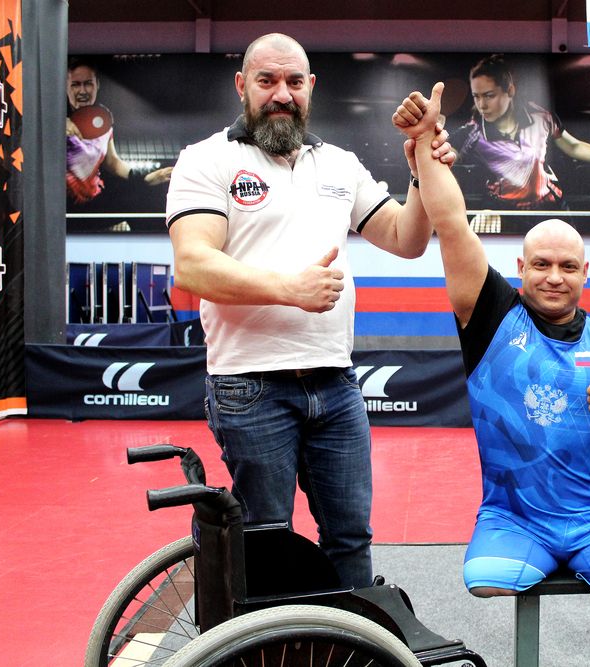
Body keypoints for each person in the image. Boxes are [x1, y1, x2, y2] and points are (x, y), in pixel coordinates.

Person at [164, 33, 453, 588]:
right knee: (267, 541)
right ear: (242, 85)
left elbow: (407, 238)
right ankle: (273, 636)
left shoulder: (339, 165)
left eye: (294, 82)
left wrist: (420, 166)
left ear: (310, 87)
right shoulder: (207, 160)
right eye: (267, 81)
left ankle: (347, 634)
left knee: (350, 538)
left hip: (336, 384)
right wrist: (288, 289)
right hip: (250, 386)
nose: (282, 94)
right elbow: (194, 267)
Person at [393, 83, 590, 603]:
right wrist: (425, 143)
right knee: (487, 579)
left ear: (586, 273)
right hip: (511, 518)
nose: (555, 277)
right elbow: (451, 224)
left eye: (568, 267)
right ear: (521, 268)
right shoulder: (490, 314)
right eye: (542, 264)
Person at [456, 53, 590, 210]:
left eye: (489, 96)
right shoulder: (472, 132)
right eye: (476, 96)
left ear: (510, 91)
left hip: (550, 207)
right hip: (503, 211)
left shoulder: (541, 117)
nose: (482, 105)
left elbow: (573, 146)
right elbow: (446, 155)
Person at [66, 58, 174, 206]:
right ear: (66, 87)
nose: (83, 91)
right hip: (57, 204)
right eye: (75, 85)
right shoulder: (52, 119)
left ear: (97, 85)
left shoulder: (103, 118)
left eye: (88, 83)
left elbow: (113, 162)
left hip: (91, 201)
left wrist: (145, 177)